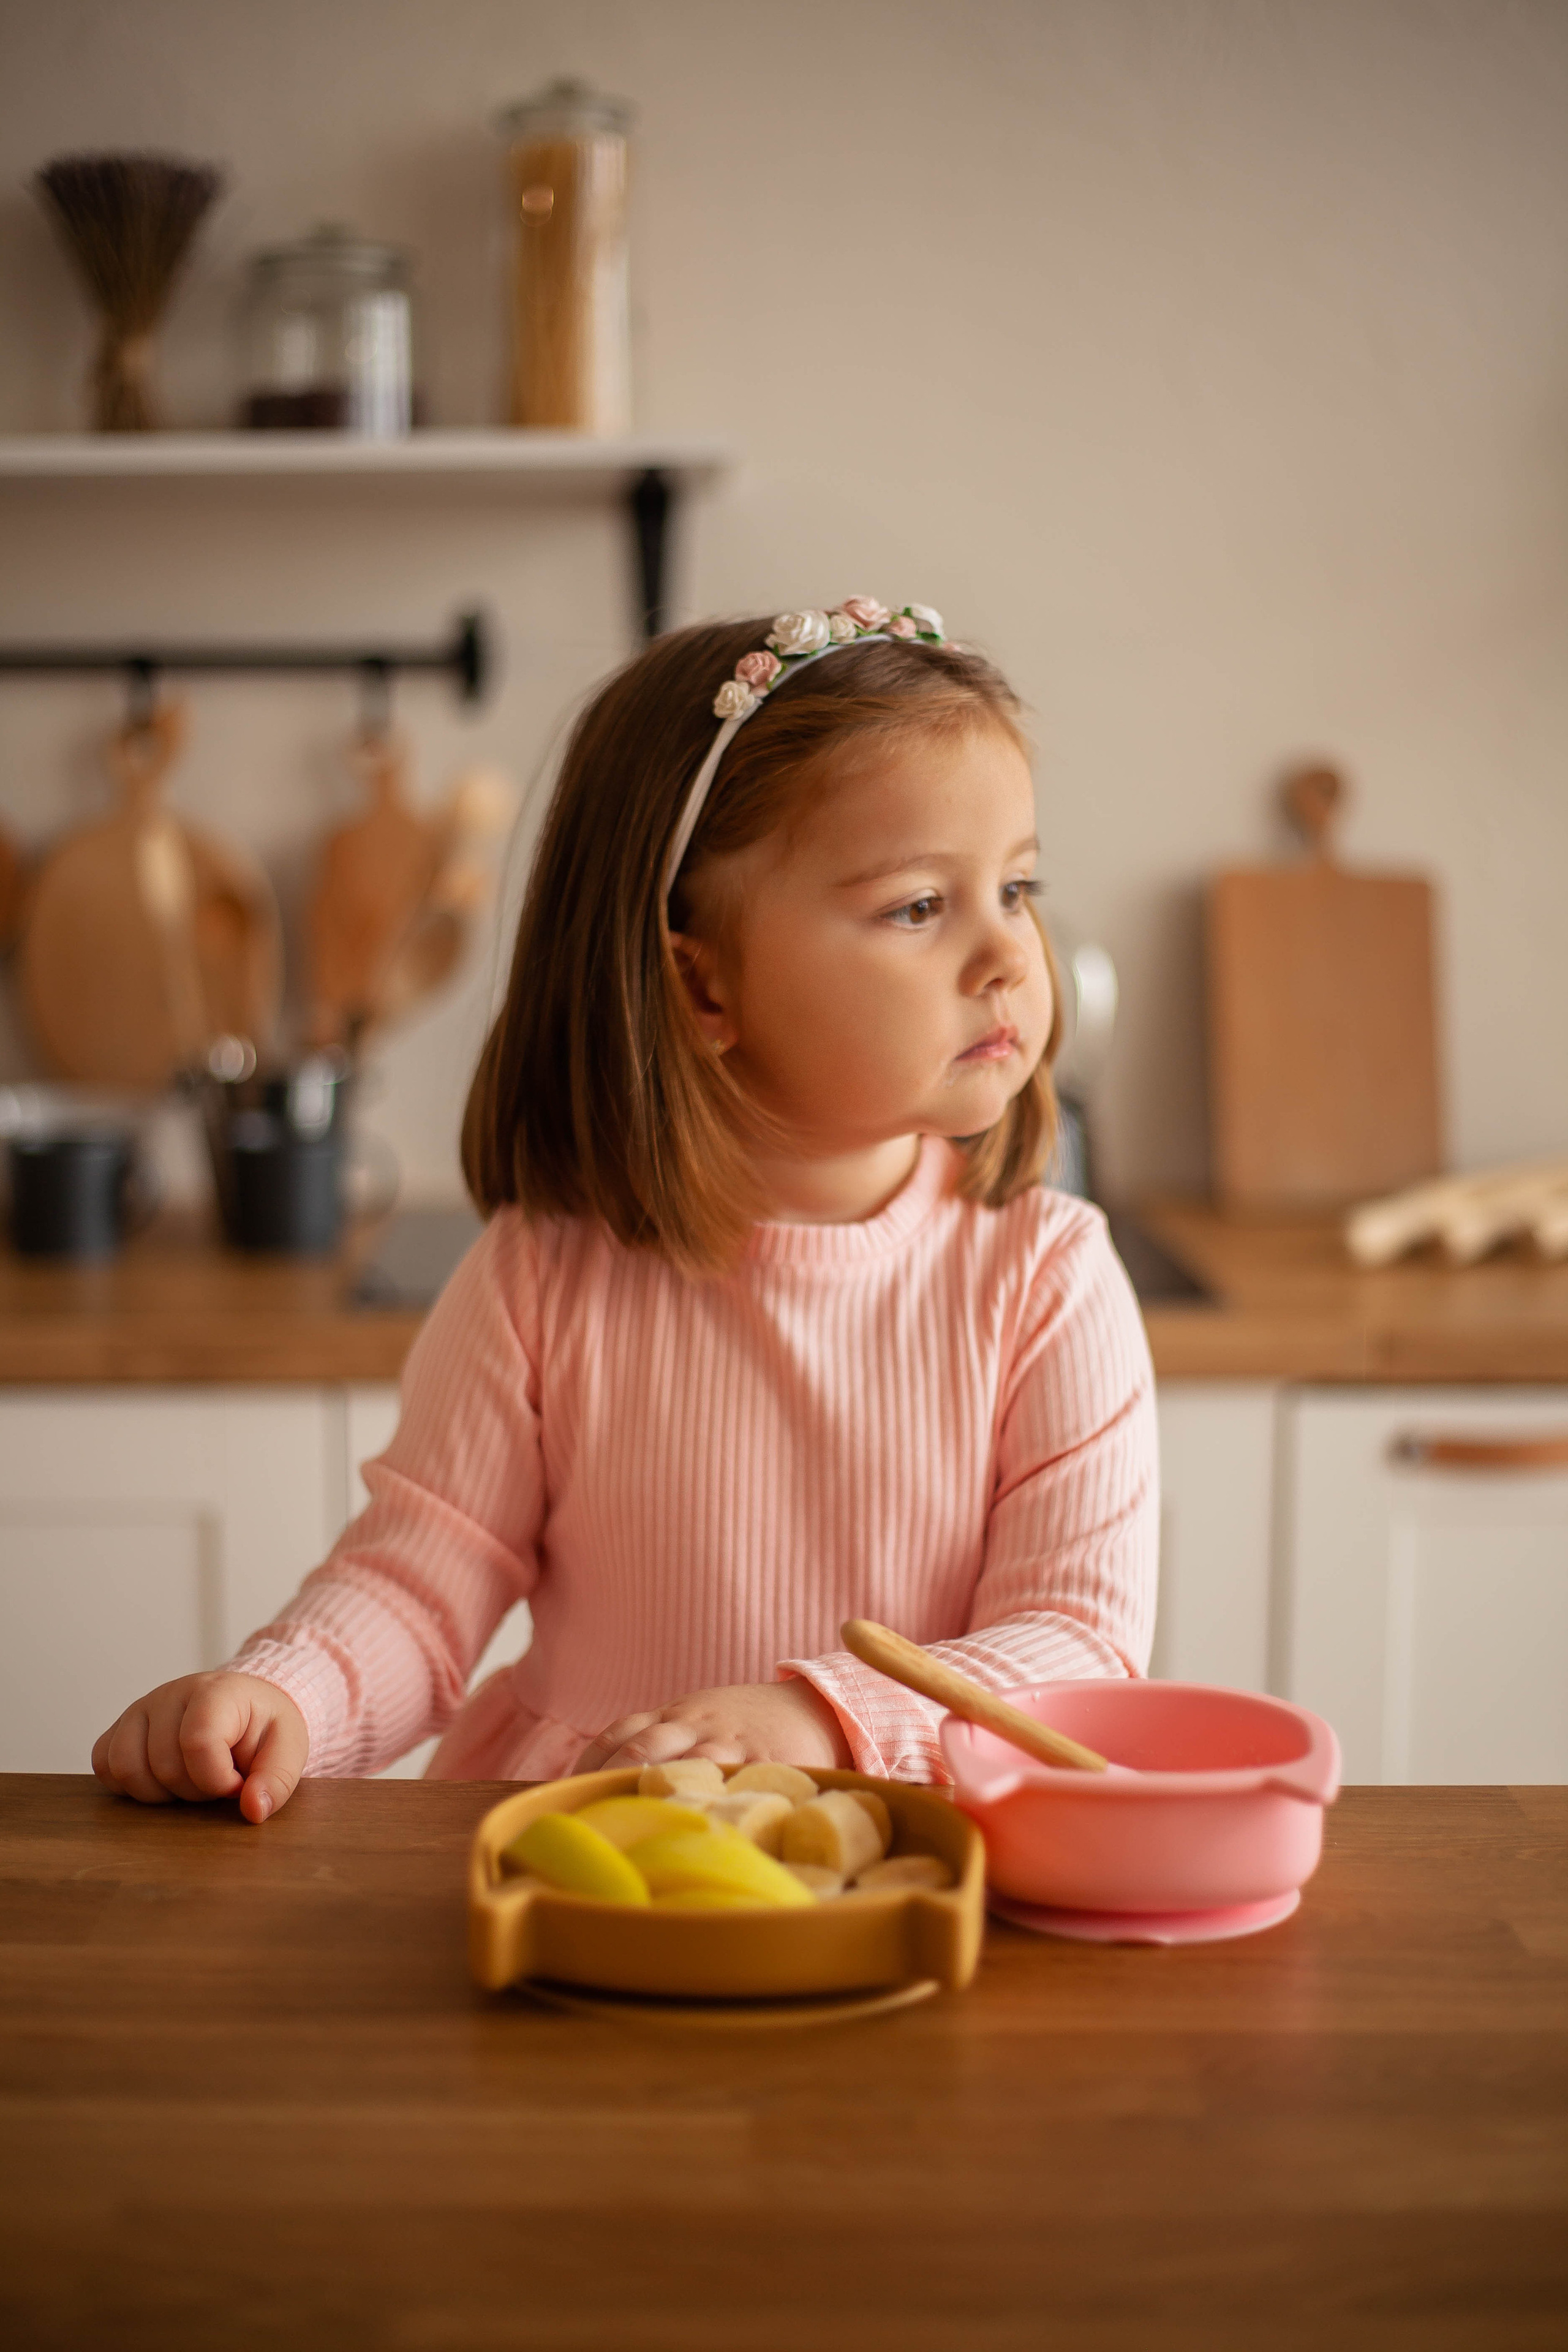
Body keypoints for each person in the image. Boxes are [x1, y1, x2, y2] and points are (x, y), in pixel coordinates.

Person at [92, 600, 1158, 1825]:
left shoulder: (1046, 1279)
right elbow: (413, 1592)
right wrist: (279, 1698)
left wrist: (811, 1718)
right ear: (701, 979)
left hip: (906, 1862)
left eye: (1015, 887)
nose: (1007, 955)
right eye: (919, 905)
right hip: (580, 1853)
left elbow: (1073, 1645)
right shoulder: (541, 1276)